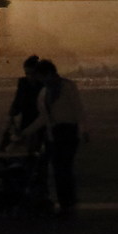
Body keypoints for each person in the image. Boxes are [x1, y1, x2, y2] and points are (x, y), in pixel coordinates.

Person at [28, 59, 85, 214]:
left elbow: (78, 109)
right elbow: (44, 117)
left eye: (40, 76)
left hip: (68, 131)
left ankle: (67, 201)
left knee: (63, 167)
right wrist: (26, 132)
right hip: (54, 133)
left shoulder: (67, 87)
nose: (39, 80)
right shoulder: (44, 92)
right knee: (59, 167)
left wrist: (82, 130)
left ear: (49, 74)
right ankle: (66, 201)